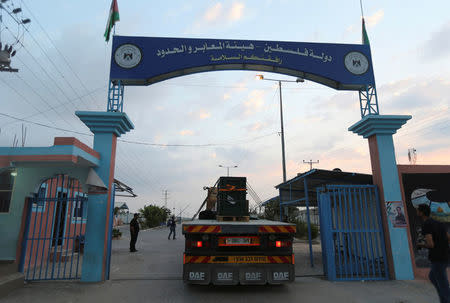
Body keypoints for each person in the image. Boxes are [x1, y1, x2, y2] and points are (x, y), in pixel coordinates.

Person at [416, 204, 449, 303]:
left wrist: (421, 245)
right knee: (433, 277)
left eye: (418, 211)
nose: (417, 212)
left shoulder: (426, 224)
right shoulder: (438, 223)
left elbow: (430, 244)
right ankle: (444, 299)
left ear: (421, 212)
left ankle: (446, 300)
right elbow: (448, 237)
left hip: (437, 256)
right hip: (445, 254)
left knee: (442, 282)